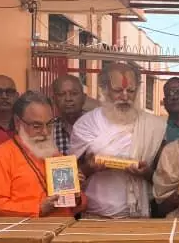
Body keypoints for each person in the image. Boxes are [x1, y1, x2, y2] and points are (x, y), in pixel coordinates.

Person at [70, 61, 164, 218]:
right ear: (104, 89)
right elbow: (70, 175)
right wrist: (90, 168)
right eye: (118, 90)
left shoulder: (153, 126)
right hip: (95, 216)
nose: (125, 97)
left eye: (131, 90)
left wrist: (146, 173)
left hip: (139, 217)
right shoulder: (86, 124)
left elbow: (163, 179)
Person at [0, 92, 80, 218]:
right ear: (18, 122)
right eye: (37, 126)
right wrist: (38, 208)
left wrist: (77, 197)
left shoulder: (55, 155)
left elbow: (76, 205)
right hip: (27, 228)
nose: (45, 132)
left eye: (50, 124)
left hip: (65, 226)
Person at [51, 74, 86, 155]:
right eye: (61, 94)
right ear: (54, 100)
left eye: (74, 93)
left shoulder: (97, 126)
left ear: (84, 98)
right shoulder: (48, 130)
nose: (68, 99)